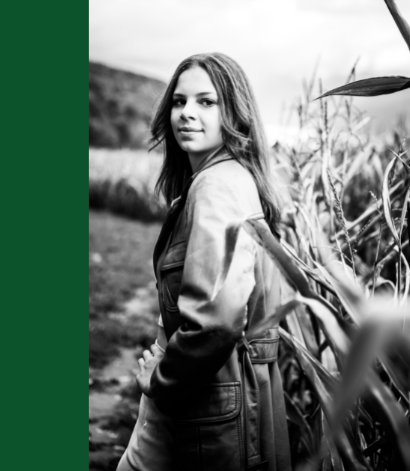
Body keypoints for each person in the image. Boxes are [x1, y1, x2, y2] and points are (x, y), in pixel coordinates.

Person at [116, 53, 293, 471]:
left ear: (233, 111)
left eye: (205, 102)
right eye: (179, 102)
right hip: (223, 392)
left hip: (207, 399)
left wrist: (161, 382)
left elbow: (217, 319)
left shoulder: (216, 186)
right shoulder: (232, 179)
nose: (186, 114)